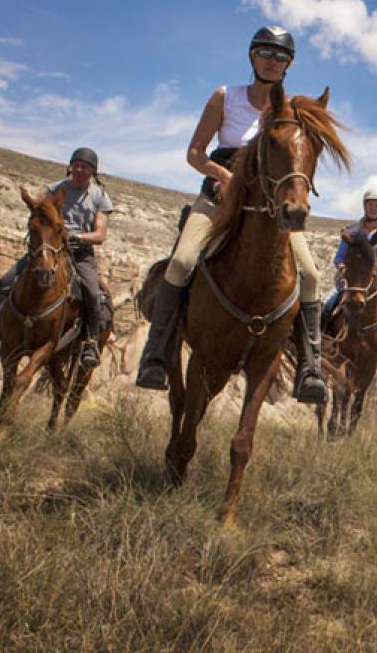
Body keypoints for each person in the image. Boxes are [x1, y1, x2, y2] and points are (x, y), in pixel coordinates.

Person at [133, 27, 327, 403]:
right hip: (218, 198)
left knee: (311, 274)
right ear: (252, 56)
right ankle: (155, 355)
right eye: (265, 53)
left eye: (280, 56)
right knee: (182, 260)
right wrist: (225, 177)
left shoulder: (291, 110)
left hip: (268, 206)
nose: (272, 60)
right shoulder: (226, 97)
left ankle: (311, 366)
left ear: (289, 64)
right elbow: (195, 153)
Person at [0, 147, 113, 368]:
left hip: (79, 252)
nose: (79, 170)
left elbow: (100, 235)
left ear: (92, 171)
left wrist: (76, 236)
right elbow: (40, 217)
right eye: (76, 165)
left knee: (91, 290)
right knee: (6, 280)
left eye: (85, 167)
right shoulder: (54, 189)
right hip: (50, 248)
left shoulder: (99, 197)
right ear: (71, 166)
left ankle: (89, 341)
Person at [322, 188, 377, 385]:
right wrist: (343, 266)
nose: (373, 208)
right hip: (350, 282)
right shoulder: (351, 231)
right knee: (326, 306)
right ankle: (321, 348)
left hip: (376, 283)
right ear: (365, 207)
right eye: (370, 204)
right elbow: (338, 257)